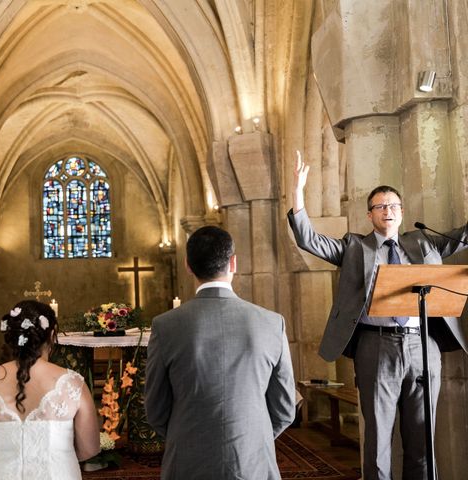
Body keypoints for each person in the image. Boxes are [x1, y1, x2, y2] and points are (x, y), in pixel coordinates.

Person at [287, 153, 468, 480]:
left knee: (422, 436)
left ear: (402, 212)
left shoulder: (423, 241)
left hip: (422, 346)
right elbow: (309, 240)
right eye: (381, 206)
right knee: (379, 439)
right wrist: (297, 192)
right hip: (376, 347)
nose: (388, 211)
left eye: (394, 206)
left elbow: (462, 236)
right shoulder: (355, 246)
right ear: (370, 214)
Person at [144, 225, 296, 480]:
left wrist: (188, 436)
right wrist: (252, 437)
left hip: (188, 460)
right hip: (253, 460)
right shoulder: (272, 322)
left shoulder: (166, 325)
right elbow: (284, 408)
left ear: (188, 266)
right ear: (233, 263)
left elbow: (155, 408)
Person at [0, 300, 100, 479]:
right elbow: (89, 449)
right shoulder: (72, 382)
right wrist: (59, 456)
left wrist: (4, 456)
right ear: (51, 335)